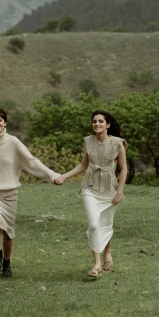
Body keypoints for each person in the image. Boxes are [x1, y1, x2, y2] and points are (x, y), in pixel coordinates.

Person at [0, 107, 61, 278]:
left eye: (0, 120)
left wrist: (52, 176)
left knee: (8, 231)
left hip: (10, 191)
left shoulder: (13, 142)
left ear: (5, 122)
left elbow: (31, 162)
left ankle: (7, 264)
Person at [56, 110, 127, 278]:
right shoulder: (88, 142)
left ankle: (107, 252)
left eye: (100, 121)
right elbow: (83, 165)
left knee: (106, 224)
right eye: (94, 121)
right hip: (89, 187)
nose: (97, 124)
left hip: (109, 188)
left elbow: (124, 170)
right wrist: (63, 176)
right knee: (94, 224)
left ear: (107, 125)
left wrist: (119, 192)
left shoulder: (118, 143)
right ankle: (96, 264)